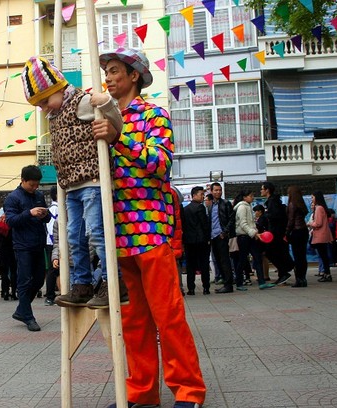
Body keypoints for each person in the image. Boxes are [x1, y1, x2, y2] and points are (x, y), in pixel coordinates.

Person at [97, 49, 206, 408]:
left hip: (151, 230)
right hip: (117, 235)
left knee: (168, 316)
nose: (109, 77)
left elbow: (159, 164)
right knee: (133, 322)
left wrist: (118, 138)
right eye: (107, 72)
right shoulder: (102, 118)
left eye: (115, 71)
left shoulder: (153, 115)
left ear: (134, 77)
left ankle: (188, 390)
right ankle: (141, 393)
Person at [21, 56, 127, 309]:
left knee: (97, 233)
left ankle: (115, 282)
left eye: (45, 100)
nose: (44, 108)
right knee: (73, 237)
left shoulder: (82, 102)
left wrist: (109, 104)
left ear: (57, 88)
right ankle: (82, 284)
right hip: (71, 185)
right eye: (40, 105)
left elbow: (116, 123)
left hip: (92, 179)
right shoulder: (54, 115)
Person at [4, 165, 50, 332]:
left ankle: (21, 310)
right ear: (22, 180)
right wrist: (29, 213)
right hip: (22, 245)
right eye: (32, 184)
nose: (35, 188)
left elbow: (47, 219)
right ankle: (28, 317)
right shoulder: (12, 198)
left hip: (39, 243)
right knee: (24, 281)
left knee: (38, 280)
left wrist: (45, 214)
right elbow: (10, 221)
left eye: (37, 184)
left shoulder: (38, 195)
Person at [260, 181, 295, 285]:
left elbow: (276, 217)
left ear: (267, 190)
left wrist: (266, 216)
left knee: (270, 252)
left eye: (262, 189)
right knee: (279, 252)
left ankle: (287, 268)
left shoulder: (273, 202)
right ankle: (284, 272)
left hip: (276, 232)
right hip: (275, 232)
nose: (261, 191)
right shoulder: (272, 201)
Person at [208, 183, 237, 294]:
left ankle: (228, 284)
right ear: (211, 191)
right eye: (216, 190)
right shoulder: (210, 205)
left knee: (225, 261)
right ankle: (225, 282)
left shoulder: (226, 203)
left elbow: (231, 219)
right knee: (218, 261)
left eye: (219, 190)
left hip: (221, 236)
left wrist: (224, 232)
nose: (218, 192)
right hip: (213, 236)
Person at [183, 186, 211, 296]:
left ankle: (191, 289)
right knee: (204, 264)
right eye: (201, 194)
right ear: (193, 195)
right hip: (201, 240)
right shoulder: (200, 208)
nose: (203, 196)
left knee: (190, 265)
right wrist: (207, 238)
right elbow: (204, 224)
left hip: (189, 241)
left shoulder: (185, 209)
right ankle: (206, 287)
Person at [286, 185, 309, 288]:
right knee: (303, 256)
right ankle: (303, 278)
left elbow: (291, 220)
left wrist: (286, 232)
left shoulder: (292, 204)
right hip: (304, 230)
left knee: (297, 256)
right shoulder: (301, 204)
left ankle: (299, 279)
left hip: (296, 231)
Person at [308, 191, 333, 282]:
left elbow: (318, 223)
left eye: (312, 197)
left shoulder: (318, 208)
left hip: (319, 235)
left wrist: (310, 223)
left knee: (323, 256)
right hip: (324, 235)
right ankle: (327, 273)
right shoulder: (322, 208)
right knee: (324, 255)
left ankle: (326, 274)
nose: (312, 199)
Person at [0, 214, 17, 301]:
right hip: (13, 251)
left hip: (2, 251)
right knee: (14, 272)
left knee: (4, 273)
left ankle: (5, 292)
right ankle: (14, 292)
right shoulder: (13, 222)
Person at [44, 186, 59, 306]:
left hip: (52, 242)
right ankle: (50, 296)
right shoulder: (55, 210)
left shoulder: (52, 209)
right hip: (54, 242)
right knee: (53, 270)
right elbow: (52, 227)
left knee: (55, 270)